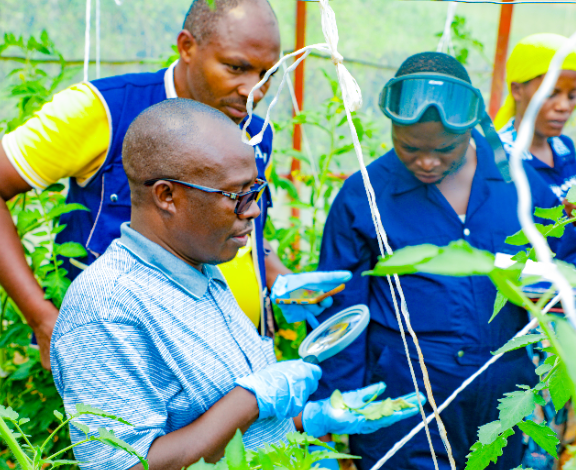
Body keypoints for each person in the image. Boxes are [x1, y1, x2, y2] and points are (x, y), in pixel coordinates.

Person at [0, 0, 348, 370]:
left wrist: (276, 277)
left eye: (267, 73)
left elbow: (239, 227)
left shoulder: (252, 131)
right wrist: (41, 318)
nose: (255, 91)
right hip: (125, 366)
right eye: (236, 68)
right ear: (187, 46)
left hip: (226, 366)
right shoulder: (105, 111)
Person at [51, 99, 423, 470]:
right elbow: (124, 467)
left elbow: (222, 425)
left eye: (255, 190)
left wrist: (310, 418)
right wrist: (250, 400)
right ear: (167, 196)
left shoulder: (203, 270)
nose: (253, 210)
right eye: (236, 196)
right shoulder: (107, 308)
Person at [312, 52, 576, 470]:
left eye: (445, 149)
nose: (427, 162)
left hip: (501, 401)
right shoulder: (364, 195)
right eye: (410, 148)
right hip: (404, 402)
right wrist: (335, 407)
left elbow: (566, 257)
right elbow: (341, 308)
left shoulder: (517, 184)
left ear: (471, 130)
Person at [495, 34, 576, 218]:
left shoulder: (563, 147)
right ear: (517, 90)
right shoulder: (500, 156)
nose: (563, 107)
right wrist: (562, 217)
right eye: (551, 94)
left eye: (572, 96)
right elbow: (505, 227)